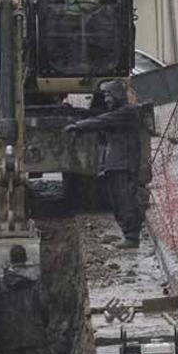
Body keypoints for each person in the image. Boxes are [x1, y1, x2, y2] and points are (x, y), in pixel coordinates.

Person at [64, 81, 142, 248]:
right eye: (105, 96)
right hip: (115, 163)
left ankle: (132, 237)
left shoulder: (127, 112)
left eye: (109, 95)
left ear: (117, 95)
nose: (106, 99)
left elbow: (102, 121)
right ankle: (127, 234)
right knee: (116, 200)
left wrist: (79, 126)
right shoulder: (119, 113)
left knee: (125, 199)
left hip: (124, 163)